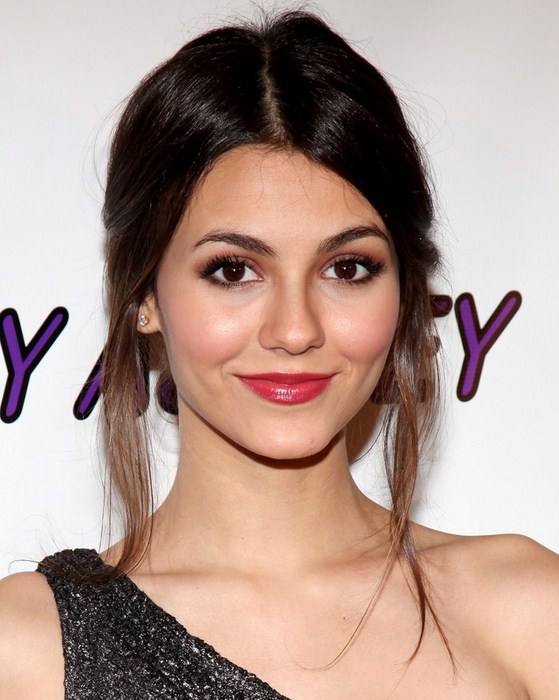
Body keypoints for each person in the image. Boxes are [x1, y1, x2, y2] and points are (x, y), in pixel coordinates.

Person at [0, 10, 558, 699]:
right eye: (233, 270)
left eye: (347, 269)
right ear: (144, 294)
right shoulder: (29, 649)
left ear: (406, 292)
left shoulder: (528, 613)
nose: (295, 331)